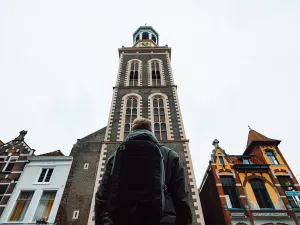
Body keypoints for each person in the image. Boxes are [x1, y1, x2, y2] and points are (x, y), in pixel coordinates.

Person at [95, 117, 192, 225]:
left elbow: (101, 198)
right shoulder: (170, 155)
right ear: (151, 131)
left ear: (132, 131)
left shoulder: (115, 157)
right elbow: (181, 198)